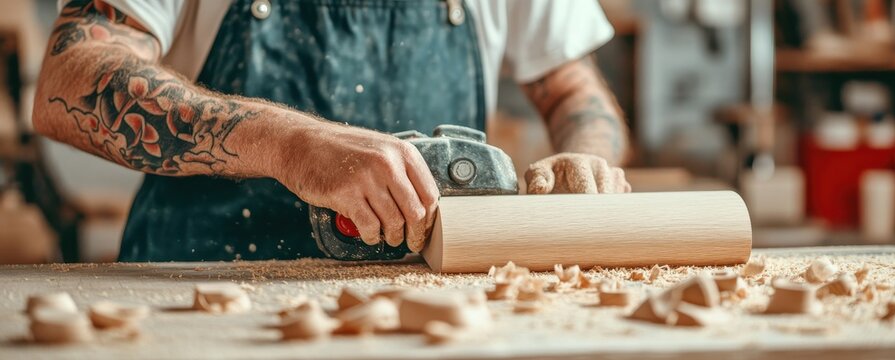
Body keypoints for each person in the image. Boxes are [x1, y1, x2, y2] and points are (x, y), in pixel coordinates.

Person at [33, 0, 632, 262]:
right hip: (197, 289)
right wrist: (288, 145)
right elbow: (70, 76)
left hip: (422, 312)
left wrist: (586, 159)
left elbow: (575, 92)